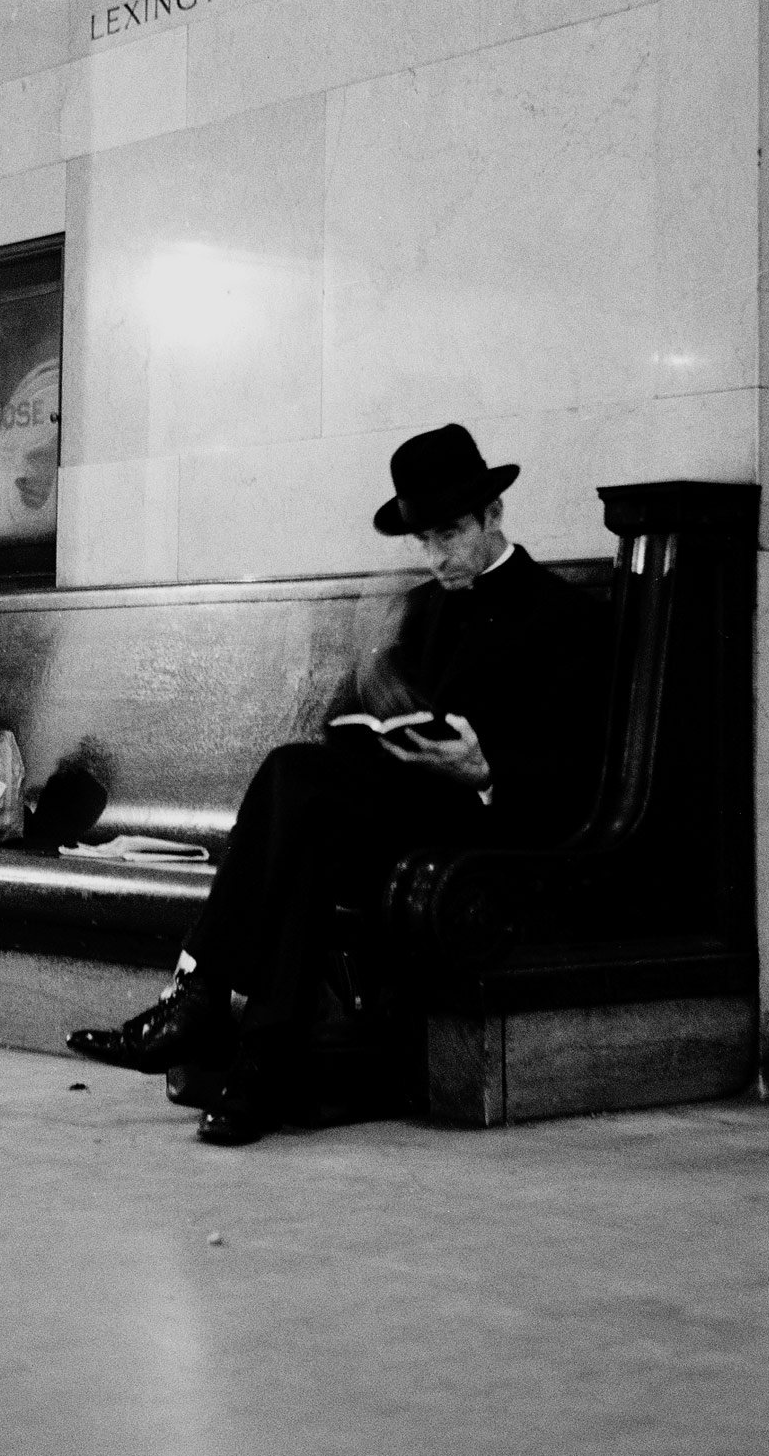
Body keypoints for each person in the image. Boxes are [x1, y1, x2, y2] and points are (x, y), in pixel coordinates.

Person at [66, 424, 606, 1143]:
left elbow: (577, 766)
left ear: (493, 516)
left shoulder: (562, 614)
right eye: (424, 541)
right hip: (392, 815)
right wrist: (368, 692)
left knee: (295, 783)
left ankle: (198, 993)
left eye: (449, 535)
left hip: (481, 830)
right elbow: (345, 729)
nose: (436, 556)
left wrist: (487, 769)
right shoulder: (421, 608)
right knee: (308, 826)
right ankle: (258, 1072)